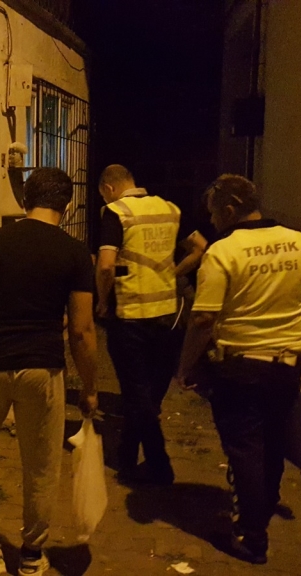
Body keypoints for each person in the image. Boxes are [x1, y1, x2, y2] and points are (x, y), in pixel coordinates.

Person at [171, 174, 301, 564]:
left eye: (214, 214)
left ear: (230, 210)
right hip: (288, 366)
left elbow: (203, 319)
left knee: (244, 448)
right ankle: (264, 502)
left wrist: (185, 367)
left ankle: (250, 537)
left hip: (240, 367)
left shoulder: (223, 252)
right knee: (273, 441)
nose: (212, 222)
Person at [0, 167, 99, 576]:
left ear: (25, 199)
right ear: (67, 205)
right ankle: (32, 557)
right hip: (41, 368)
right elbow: (82, 331)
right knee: (42, 464)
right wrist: (89, 387)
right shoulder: (75, 253)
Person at [95, 164, 207, 485]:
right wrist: (173, 273)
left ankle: (159, 463)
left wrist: (102, 301)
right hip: (169, 315)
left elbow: (106, 266)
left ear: (109, 188)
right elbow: (201, 247)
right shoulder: (169, 209)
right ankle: (127, 455)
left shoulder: (116, 212)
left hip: (130, 314)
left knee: (136, 392)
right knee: (148, 394)